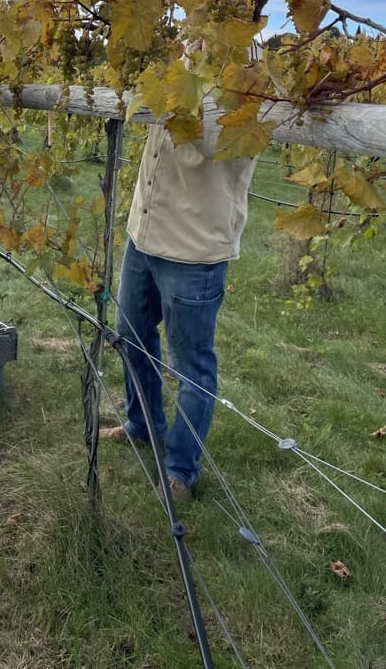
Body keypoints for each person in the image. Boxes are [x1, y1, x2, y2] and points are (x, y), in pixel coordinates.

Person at [99, 114, 256, 503]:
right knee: (130, 336)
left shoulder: (249, 68)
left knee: (191, 366)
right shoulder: (177, 54)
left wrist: (169, 96)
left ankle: (180, 471)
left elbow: (217, 142)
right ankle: (143, 424)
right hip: (146, 232)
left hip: (194, 247)